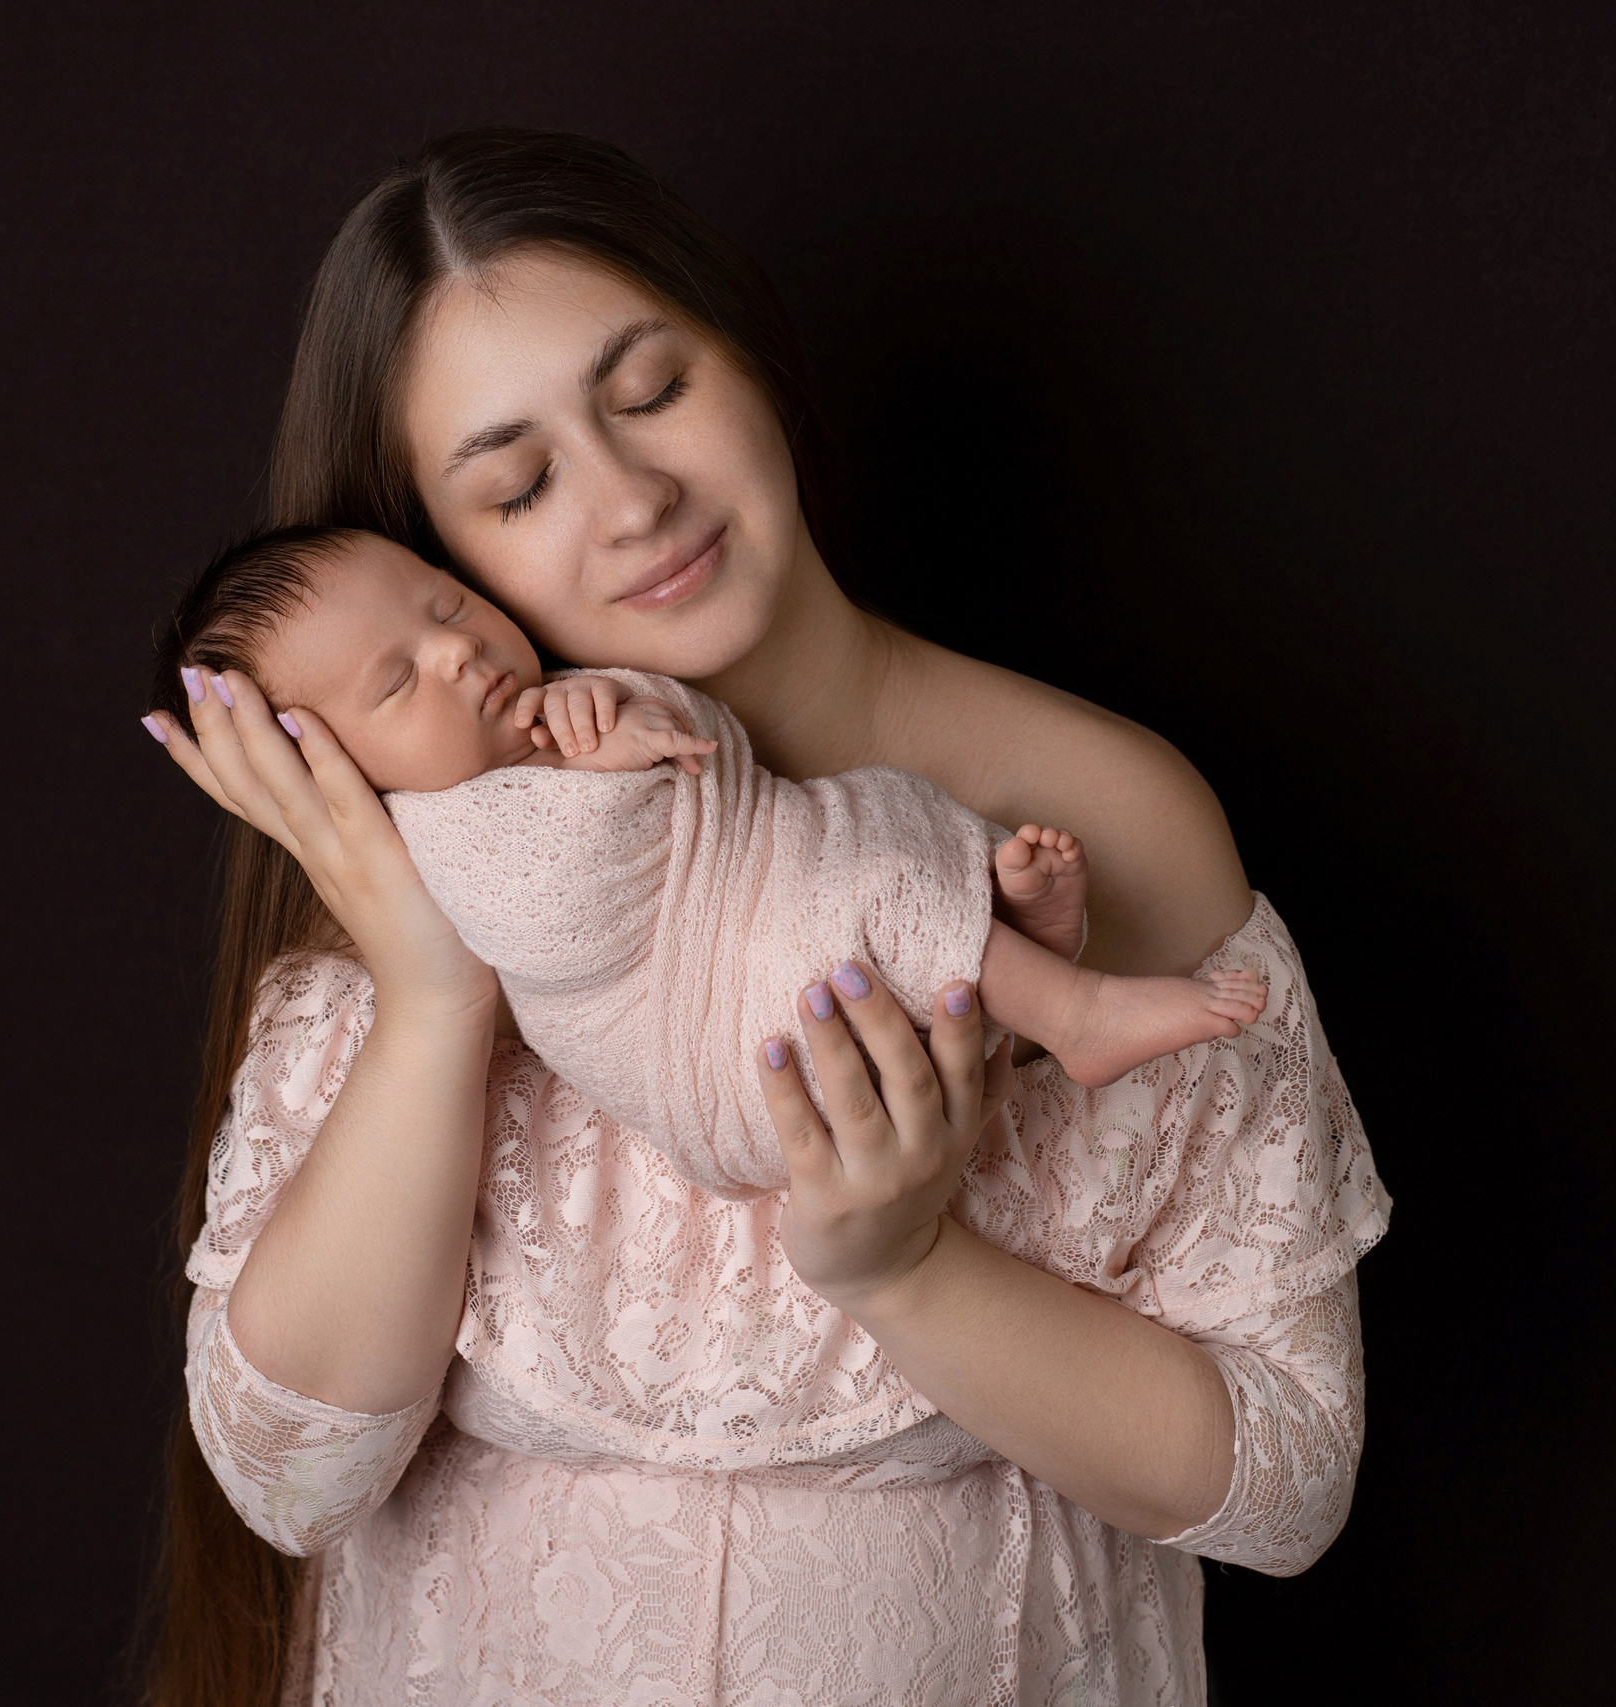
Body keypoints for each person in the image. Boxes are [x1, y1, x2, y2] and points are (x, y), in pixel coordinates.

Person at [138, 128, 1390, 1706]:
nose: (633, 499)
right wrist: (433, 995)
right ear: (425, 556)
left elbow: (1289, 1478)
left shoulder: (1107, 813)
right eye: (519, 485)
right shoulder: (411, 865)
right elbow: (296, 1485)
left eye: (653, 389)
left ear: (744, 351)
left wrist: (908, 1267)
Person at [146, 522, 1269, 1201]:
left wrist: (617, 710)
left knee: (883, 812)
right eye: (395, 682)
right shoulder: (442, 839)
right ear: (333, 773)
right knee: (861, 888)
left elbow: (705, 747)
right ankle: (1072, 1012)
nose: (453, 650)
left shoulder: (550, 707)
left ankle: (1017, 947)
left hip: (765, 917)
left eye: (446, 603)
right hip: (721, 1047)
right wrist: (600, 770)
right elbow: (561, 916)